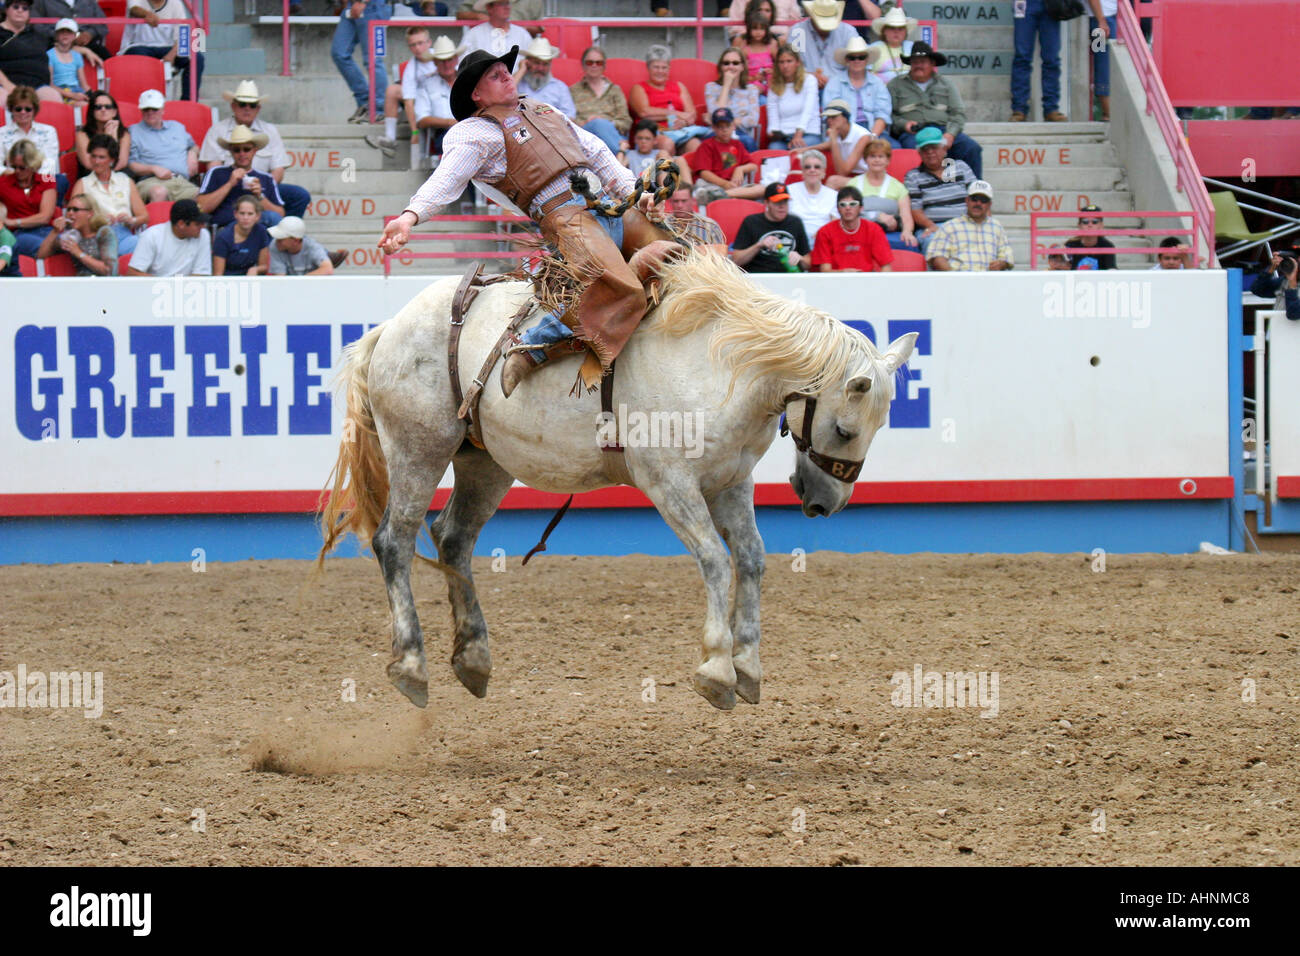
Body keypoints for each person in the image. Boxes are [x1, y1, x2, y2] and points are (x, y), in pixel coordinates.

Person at [380, 45, 681, 396]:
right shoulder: (473, 133)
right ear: (476, 94)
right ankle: (534, 344)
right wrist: (409, 216)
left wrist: (638, 193)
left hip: (607, 203)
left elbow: (596, 151)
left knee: (682, 254)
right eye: (494, 75)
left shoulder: (543, 109)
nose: (507, 76)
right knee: (621, 288)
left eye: (505, 70)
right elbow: (447, 178)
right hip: (565, 217)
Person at [201, 80, 310, 221]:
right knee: (269, 216)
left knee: (300, 196)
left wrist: (263, 188)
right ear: (233, 106)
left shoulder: (270, 130)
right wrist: (233, 184)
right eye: (242, 104)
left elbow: (278, 170)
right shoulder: (217, 130)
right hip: (230, 188)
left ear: (258, 109)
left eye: (252, 105)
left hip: (262, 187)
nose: (247, 108)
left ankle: (289, 234)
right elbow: (213, 170)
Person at [888, 41, 982, 178]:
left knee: (972, 148)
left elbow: (958, 113)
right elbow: (889, 115)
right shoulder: (895, 85)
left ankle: (975, 192)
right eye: (915, 62)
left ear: (932, 64)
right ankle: (920, 190)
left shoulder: (946, 84)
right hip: (914, 133)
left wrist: (951, 134)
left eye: (923, 61)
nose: (918, 65)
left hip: (942, 130)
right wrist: (904, 125)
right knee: (912, 153)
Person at [364, 32, 461, 159]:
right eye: (413, 45)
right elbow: (411, 104)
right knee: (392, 90)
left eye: (420, 43)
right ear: (435, 62)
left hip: (469, 130)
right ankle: (390, 137)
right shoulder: (418, 74)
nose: (417, 48)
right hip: (444, 131)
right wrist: (415, 131)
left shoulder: (468, 79)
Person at [1011, 0, 1106, 122]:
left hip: (1050, 5)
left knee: (1051, 59)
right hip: (1024, 4)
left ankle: (1051, 109)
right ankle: (1019, 109)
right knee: (1022, 57)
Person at [69, 133, 146, 253]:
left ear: (112, 160)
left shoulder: (125, 181)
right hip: (97, 235)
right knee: (139, 246)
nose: (96, 161)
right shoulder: (83, 183)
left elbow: (144, 216)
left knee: (146, 242)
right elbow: (72, 216)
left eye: (101, 157)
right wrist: (98, 220)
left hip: (123, 232)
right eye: (93, 156)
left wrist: (131, 220)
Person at [197, 124, 285, 228]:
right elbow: (201, 207)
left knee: (274, 219)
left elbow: (280, 215)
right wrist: (229, 184)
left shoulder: (266, 178)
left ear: (254, 151)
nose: (242, 154)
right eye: (237, 150)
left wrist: (260, 196)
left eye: (246, 149)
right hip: (227, 227)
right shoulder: (216, 172)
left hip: (258, 230)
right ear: (231, 151)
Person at [903, 126, 976, 251]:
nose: (930, 152)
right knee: (934, 242)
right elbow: (916, 210)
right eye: (925, 149)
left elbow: (978, 197)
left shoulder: (960, 167)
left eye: (934, 147)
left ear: (944, 149)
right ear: (919, 153)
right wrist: (932, 226)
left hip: (965, 223)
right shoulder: (913, 176)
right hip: (934, 226)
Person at [629, 45, 711, 156]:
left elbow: (691, 115)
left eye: (664, 67)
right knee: (667, 143)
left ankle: (689, 173)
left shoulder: (679, 86)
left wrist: (684, 122)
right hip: (654, 132)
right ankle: (668, 173)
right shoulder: (639, 88)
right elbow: (644, 112)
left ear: (669, 68)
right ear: (648, 68)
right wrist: (676, 113)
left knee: (695, 144)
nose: (660, 71)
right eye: (656, 67)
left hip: (680, 131)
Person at [123, 0, 204, 101]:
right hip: (139, 46)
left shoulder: (176, 3)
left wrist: (172, 54)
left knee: (197, 58)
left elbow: (183, 34)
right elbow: (133, 9)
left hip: (167, 48)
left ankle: (188, 102)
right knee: (138, 56)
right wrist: (148, 14)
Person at [788, 0, 878, 90]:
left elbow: (862, 63)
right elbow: (790, 65)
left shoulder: (847, 31)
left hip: (841, 88)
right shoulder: (798, 31)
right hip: (805, 86)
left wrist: (835, 82)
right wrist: (809, 76)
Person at [925, 179, 1013, 271]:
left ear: (989, 204)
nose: (978, 203)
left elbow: (1007, 257)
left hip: (989, 281)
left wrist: (1001, 264)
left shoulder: (996, 227)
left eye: (983, 200)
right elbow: (937, 257)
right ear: (967, 200)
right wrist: (954, 277)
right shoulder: (949, 227)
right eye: (974, 199)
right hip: (958, 280)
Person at [128, 89, 199, 202]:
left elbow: (194, 146)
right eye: (146, 109)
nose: (150, 112)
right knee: (159, 192)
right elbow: (131, 164)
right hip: (151, 181)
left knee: (203, 198)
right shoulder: (134, 131)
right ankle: (159, 220)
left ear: (162, 109)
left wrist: (192, 153)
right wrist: (153, 168)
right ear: (141, 110)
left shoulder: (177, 127)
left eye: (155, 109)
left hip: (181, 181)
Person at [821, 36, 892, 145]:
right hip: (843, 130)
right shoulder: (834, 83)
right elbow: (831, 116)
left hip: (873, 129)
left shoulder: (878, 83)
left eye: (861, 57)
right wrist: (849, 135)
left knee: (893, 147)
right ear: (846, 60)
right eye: (852, 57)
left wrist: (872, 136)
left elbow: (882, 115)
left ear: (867, 60)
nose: (857, 60)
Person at [847, 138, 915, 249]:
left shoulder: (898, 187)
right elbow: (847, 213)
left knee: (908, 243)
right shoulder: (853, 184)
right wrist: (877, 215)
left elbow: (906, 216)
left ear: (888, 160)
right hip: (859, 232)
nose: (876, 160)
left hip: (890, 234)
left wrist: (907, 231)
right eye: (872, 156)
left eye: (881, 156)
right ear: (865, 159)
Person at [332, 0, 392, 123]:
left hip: (372, 7)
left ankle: (379, 110)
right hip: (352, 6)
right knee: (339, 53)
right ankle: (365, 103)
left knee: (373, 60)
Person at [730, 181, 810, 272]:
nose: (782, 206)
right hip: (759, 276)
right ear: (767, 203)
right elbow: (736, 260)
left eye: (785, 202)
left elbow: (808, 263)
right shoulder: (751, 222)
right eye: (777, 202)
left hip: (789, 276)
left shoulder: (795, 222)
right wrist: (758, 245)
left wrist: (799, 258)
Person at [688, 107, 762, 204]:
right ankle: (725, 195)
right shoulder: (707, 145)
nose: (724, 130)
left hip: (733, 187)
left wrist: (740, 169)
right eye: (720, 127)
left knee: (761, 189)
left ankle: (725, 195)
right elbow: (704, 173)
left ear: (733, 126)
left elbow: (753, 165)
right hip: (712, 184)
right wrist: (724, 184)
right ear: (713, 128)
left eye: (727, 126)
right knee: (704, 189)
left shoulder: (737, 144)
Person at [811, 185, 892, 272]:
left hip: (866, 281)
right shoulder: (825, 232)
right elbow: (825, 271)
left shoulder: (874, 230)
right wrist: (845, 273)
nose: (848, 208)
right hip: (835, 282)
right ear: (838, 209)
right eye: (843, 204)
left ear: (861, 208)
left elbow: (886, 267)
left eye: (853, 204)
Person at [570, 46, 632, 158]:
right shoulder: (573, 91)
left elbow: (625, 121)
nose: (594, 65)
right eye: (590, 62)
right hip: (585, 134)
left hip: (611, 133)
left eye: (598, 63)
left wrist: (606, 123)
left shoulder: (615, 90)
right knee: (597, 124)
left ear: (604, 66)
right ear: (583, 65)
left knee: (600, 124)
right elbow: (568, 118)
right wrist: (585, 123)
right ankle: (621, 157)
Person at [125, 195, 210, 275]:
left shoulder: (203, 235)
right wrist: (166, 285)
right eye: (198, 224)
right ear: (181, 224)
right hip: (155, 289)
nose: (203, 226)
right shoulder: (151, 236)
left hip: (188, 289)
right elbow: (133, 272)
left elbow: (201, 274)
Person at [34, 192, 116, 275]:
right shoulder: (70, 236)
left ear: (90, 213)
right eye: (68, 209)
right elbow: (41, 255)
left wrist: (78, 253)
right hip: (79, 284)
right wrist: (55, 231)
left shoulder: (104, 232)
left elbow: (109, 271)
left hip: (103, 285)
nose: (70, 213)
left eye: (75, 209)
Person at [0, 138, 56, 258]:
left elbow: (45, 217)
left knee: (67, 241)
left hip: (46, 229)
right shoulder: (3, 183)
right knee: (52, 245)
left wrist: (13, 221)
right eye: (15, 167)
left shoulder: (47, 179)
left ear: (32, 165)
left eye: (22, 167)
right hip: (19, 233)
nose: (17, 171)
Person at [766, 44, 820, 150]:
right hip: (784, 135)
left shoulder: (809, 80)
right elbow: (773, 113)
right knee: (773, 149)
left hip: (808, 132)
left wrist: (799, 132)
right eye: (781, 62)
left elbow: (808, 110)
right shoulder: (774, 85)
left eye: (789, 61)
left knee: (795, 147)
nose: (785, 66)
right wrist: (773, 131)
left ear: (797, 62)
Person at [706, 48, 760, 151]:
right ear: (721, 67)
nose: (730, 67)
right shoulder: (711, 87)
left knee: (748, 142)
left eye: (735, 63)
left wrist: (728, 122)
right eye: (726, 63)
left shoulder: (751, 89)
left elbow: (753, 120)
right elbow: (717, 115)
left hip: (742, 133)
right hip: (717, 132)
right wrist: (726, 85)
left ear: (742, 67)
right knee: (708, 141)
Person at [0, 86, 59, 175]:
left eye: (28, 109)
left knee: (61, 180)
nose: (23, 112)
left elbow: (50, 163)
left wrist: (32, 179)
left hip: (42, 180)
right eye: (18, 109)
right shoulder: (1, 133)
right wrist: (17, 176)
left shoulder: (49, 131)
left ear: (34, 110)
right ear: (12, 110)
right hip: (12, 179)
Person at [31, 0, 113, 62]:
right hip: (54, 45)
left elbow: (102, 24)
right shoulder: (41, 1)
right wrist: (62, 35)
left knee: (110, 62)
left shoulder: (89, 1)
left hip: (87, 43)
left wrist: (90, 34)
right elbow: (36, 26)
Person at [75, 89, 130, 178]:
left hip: (117, 176)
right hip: (91, 178)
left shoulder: (123, 134)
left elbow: (122, 163)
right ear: (92, 112)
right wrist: (108, 138)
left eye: (108, 107)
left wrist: (114, 140)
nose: (103, 110)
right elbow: (89, 164)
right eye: (98, 107)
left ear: (114, 112)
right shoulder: (82, 135)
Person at [212, 194, 272, 276]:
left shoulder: (261, 232)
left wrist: (256, 269)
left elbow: (264, 266)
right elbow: (218, 274)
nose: (246, 218)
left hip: (251, 280)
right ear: (235, 214)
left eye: (250, 214)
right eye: (242, 213)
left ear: (257, 216)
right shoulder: (223, 237)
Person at [786, 147, 835, 247]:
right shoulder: (789, 191)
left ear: (824, 172)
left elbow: (835, 224)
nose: (812, 170)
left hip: (824, 242)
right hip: (795, 240)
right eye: (807, 167)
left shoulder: (834, 195)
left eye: (817, 167)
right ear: (802, 172)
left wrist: (822, 235)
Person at [516, 37, 574, 117]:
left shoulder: (560, 87)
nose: (540, 68)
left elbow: (570, 117)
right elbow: (504, 93)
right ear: (527, 63)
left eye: (545, 64)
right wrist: (521, 70)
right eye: (536, 63)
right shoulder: (517, 83)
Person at [817, 99, 870, 186]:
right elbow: (827, 145)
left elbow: (842, 172)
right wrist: (805, 149)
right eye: (828, 117)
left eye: (833, 117)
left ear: (845, 118)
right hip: (856, 178)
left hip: (870, 179)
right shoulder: (839, 132)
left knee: (833, 181)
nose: (829, 120)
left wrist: (833, 140)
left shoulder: (863, 136)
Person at [267, 215, 338, 275]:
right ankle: (327, 255)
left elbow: (328, 269)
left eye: (281, 239)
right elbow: (279, 278)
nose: (277, 241)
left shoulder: (312, 246)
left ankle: (326, 255)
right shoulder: (275, 246)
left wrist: (300, 282)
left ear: (295, 241)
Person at [460, 0, 532, 57]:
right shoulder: (474, 34)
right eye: (502, 4)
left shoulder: (522, 34)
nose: (507, 7)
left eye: (507, 3)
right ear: (489, 8)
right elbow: (463, 64)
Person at [732, 9, 779, 97]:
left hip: (771, 80)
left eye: (762, 29)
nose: (758, 32)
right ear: (749, 29)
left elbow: (780, 64)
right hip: (753, 82)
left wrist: (772, 71)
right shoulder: (745, 49)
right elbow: (741, 74)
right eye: (755, 28)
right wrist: (754, 78)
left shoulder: (771, 45)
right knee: (754, 90)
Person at [866, 6, 916, 86]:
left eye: (900, 29)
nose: (896, 32)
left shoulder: (913, 47)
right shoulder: (873, 49)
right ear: (884, 31)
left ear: (905, 32)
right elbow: (865, 75)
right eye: (892, 28)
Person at [667, 185, 726, 253]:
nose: (680, 205)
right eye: (676, 201)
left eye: (684, 201)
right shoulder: (663, 224)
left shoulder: (710, 225)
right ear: (670, 202)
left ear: (693, 201)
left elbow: (720, 254)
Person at [1248, 247, 1300, 320]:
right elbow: (1257, 289)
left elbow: (1293, 314)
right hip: (1276, 330)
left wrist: (1292, 285)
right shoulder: (1285, 281)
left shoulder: (1291, 281)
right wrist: (1271, 268)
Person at [47, 19, 90, 104]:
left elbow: (84, 84)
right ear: (56, 35)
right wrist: (72, 95)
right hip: (58, 92)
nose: (65, 34)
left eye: (69, 32)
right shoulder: (49, 55)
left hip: (77, 91)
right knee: (82, 105)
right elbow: (50, 84)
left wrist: (93, 96)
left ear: (74, 36)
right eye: (62, 32)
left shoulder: (77, 56)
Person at [1064, 203, 1115, 269]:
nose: (1090, 225)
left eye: (1095, 222)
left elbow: (1112, 270)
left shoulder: (1107, 246)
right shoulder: (1070, 245)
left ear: (1101, 225)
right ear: (1079, 225)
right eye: (1085, 221)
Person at [1088, 0, 1116, 121]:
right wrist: (1101, 20)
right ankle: (1107, 113)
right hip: (1101, 22)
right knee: (1103, 64)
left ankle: (1107, 113)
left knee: (1104, 64)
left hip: (1107, 18)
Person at [726, 0, 798, 44]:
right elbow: (735, 27)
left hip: (780, 37)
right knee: (738, 40)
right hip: (748, 37)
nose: (763, 13)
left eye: (767, 10)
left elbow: (795, 22)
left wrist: (786, 37)